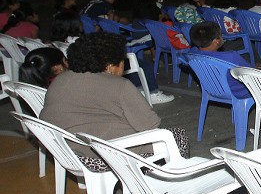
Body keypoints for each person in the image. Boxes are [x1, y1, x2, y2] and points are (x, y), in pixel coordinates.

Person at [39, 32, 189, 172]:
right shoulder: (119, 86)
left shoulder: (59, 80)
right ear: (110, 66)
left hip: (69, 154)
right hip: (107, 158)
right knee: (176, 136)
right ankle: (170, 180)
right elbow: (151, 126)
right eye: (122, 62)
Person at [188, 21, 252, 99]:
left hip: (212, 90)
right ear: (216, 41)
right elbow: (250, 73)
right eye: (221, 35)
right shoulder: (231, 56)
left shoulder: (192, 54)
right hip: (238, 92)